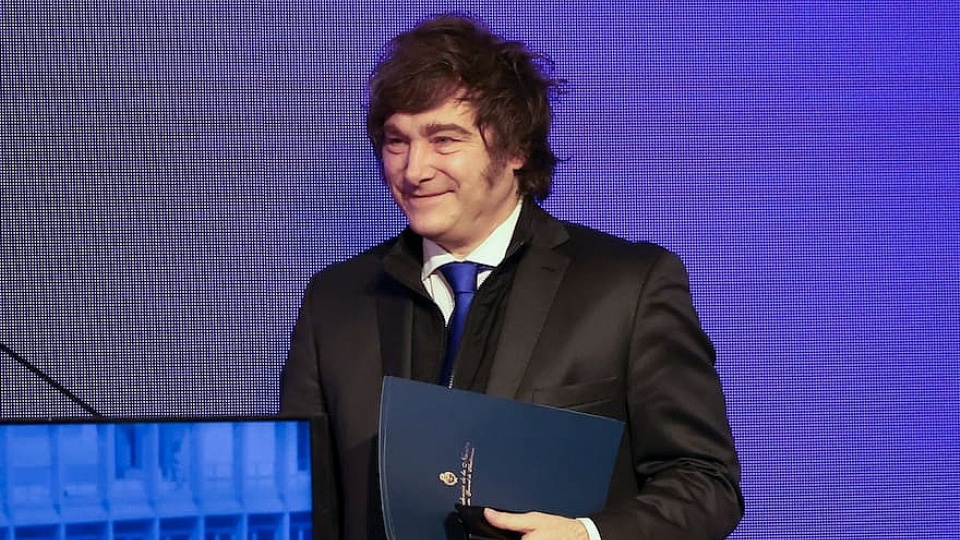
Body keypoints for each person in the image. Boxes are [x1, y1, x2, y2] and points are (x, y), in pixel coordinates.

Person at [280, 13, 743, 540]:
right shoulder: (336, 298)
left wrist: (588, 535)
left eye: (444, 140)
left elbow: (705, 483)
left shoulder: (627, 287)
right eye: (396, 142)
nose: (413, 170)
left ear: (516, 148)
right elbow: (304, 500)